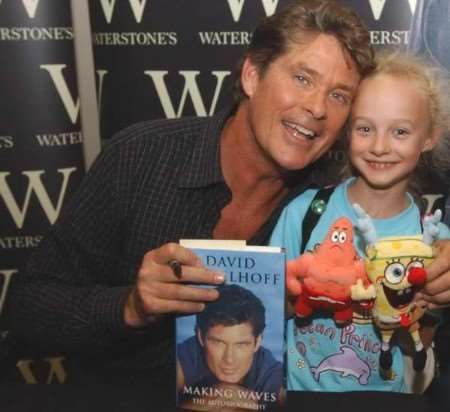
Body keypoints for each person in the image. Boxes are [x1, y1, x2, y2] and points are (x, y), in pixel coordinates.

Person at [5, 0, 450, 386]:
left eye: (338, 96)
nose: (316, 108)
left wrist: (435, 279)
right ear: (253, 75)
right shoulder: (140, 158)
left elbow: (400, 306)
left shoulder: (327, 202)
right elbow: (26, 309)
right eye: (301, 78)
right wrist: (131, 306)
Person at [269, 51, 450, 393]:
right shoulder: (306, 212)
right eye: (365, 128)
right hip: (297, 395)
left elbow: (421, 340)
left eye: (400, 131)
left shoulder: (435, 240)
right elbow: (266, 311)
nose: (380, 147)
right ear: (347, 132)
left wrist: (413, 307)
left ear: (428, 139)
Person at [176, 284, 282, 409]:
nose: (229, 359)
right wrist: (204, 402)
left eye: (241, 344)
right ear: (200, 337)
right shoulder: (184, 356)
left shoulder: (271, 372)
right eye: (218, 343)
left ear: (258, 341)